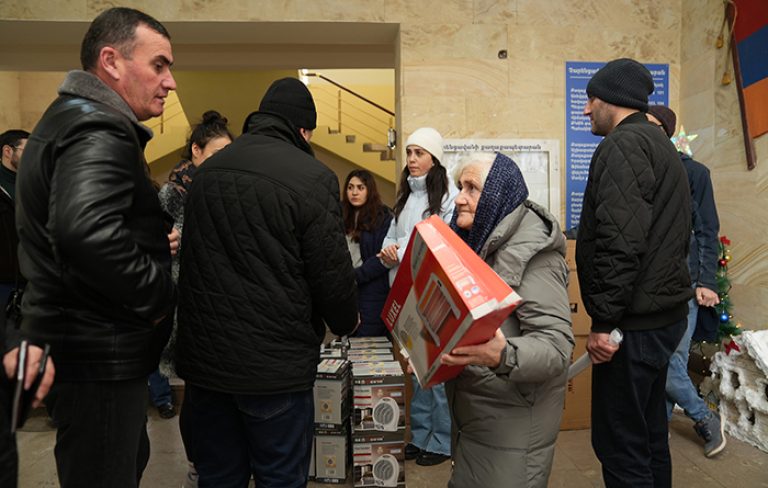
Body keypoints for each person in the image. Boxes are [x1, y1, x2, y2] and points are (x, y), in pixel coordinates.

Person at [14, 7, 178, 487]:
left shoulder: (73, 118)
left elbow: (80, 225)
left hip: (84, 347)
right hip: (97, 354)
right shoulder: (97, 126)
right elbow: (84, 230)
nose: (170, 82)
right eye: (159, 65)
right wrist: (158, 295)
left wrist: (146, 242)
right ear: (111, 61)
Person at [175, 77, 358, 487]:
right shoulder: (313, 178)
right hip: (273, 370)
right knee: (280, 477)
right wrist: (347, 321)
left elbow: (191, 266)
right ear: (304, 131)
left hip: (206, 368)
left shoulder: (206, 173)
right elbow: (330, 274)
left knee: (219, 476)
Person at [577, 58, 692, 488]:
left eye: (592, 99)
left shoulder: (624, 146)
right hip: (660, 320)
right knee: (648, 439)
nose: (586, 110)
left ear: (614, 101)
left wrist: (604, 323)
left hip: (631, 328)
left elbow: (619, 244)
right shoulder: (659, 144)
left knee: (621, 446)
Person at [440, 152, 574, 487]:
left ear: (498, 193)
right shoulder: (478, 243)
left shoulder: (534, 255)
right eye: (459, 187)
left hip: (512, 432)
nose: (459, 198)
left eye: (472, 188)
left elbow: (557, 349)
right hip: (478, 423)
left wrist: (503, 355)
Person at [647, 104, 725, 457]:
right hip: (648, 287)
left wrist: (706, 280)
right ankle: (657, 434)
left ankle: (703, 418)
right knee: (664, 359)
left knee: (669, 361)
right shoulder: (642, 170)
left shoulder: (695, 173)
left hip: (686, 285)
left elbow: (707, 229)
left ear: (667, 132)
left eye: (651, 126)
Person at [379, 127, 457, 466]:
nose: (411, 159)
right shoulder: (406, 196)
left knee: (434, 372)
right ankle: (421, 435)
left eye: (419, 153)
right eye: (409, 153)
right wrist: (388, 251)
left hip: (431, 295)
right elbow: (391, 236)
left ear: (434, 158)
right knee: (415, 370)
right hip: (405, 294)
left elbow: (443, 244)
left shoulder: (449, 195)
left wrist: (405, 249)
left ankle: (440, 442)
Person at [150, 110, 233, 423]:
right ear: (196, 151)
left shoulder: (226, 189)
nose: (223, 160)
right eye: (217, 153)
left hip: (220, 298)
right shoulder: (173, 194)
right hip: (183, 296)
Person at [342, 169, 393, 337]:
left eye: (360, 187)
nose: (354, 192)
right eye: (350, 187)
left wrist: (356, 276)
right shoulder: (339, 215)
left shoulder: (383, 217)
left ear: (369, 190)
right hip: (346, 290)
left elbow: (383, 258)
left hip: (372, 291)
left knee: (367, 346)